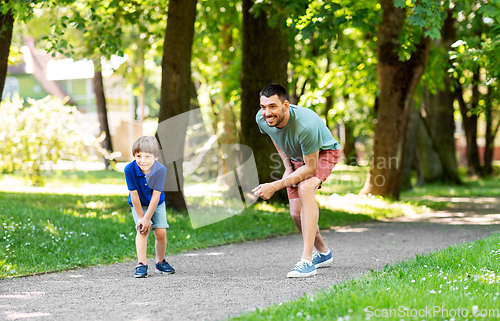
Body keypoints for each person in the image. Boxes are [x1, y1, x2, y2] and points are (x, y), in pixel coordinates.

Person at [252, 84, 340, 278]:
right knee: (296, 214)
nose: (267, 112)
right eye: (263, 107)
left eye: (273, 107)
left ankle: (307, 260)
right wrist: (287, 167)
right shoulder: (263, 119)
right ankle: (324, 253)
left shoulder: (305, 125)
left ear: (285, 105)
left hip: (323, 153)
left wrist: (275, 185)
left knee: (306, 187)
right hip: (296, 157)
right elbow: (276, 137)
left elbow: (311, 167)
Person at [124, 136, 175, 278]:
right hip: (138, 204)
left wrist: (148, 217)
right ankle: (141, 264)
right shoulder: (129, 169)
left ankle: (160, 262)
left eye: (147, 156)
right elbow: (134, 195)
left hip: (156, 203)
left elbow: (156, 196)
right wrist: (142, 218)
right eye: (138, 156)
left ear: (156, 157)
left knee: (161, 233)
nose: (142, 160)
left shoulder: (161, 170)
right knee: (142, 230)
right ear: (134, 155)